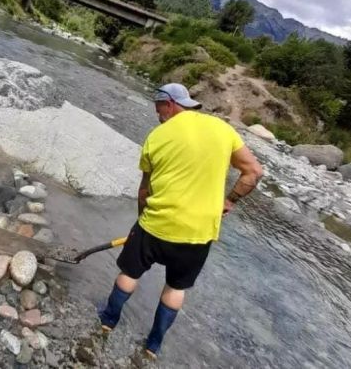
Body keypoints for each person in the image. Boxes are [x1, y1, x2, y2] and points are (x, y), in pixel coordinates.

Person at [98, 83, 264, 359]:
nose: (157, 115)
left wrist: (141, 224)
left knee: (129, 274)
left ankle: (108, 321)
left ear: (171, 103)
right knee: (176, 288)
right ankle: (152, 346)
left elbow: (144, 191)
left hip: (155, 224)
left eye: (158, 108)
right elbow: (253, 172)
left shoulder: (157, 136)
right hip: (198, 233)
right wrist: (230, 200)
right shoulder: (223, 130)